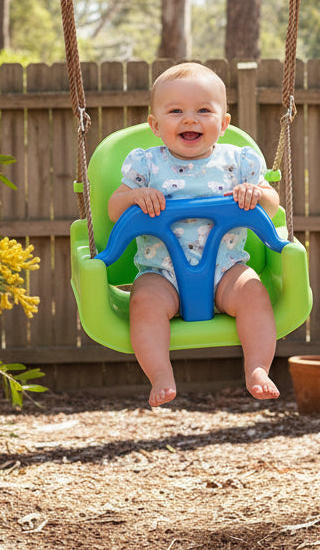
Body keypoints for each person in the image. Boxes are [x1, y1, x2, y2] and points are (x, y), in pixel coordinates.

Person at [107, 62, 281, 407]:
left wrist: (256, 193)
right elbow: (115, 209)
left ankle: (258, 368)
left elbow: (273, 207)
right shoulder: (146, 165)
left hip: (226, 269)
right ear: (155, 126)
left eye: (203, 110)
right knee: (144, 303)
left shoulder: (239, 163)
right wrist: (134, 197)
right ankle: (160, 374)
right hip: (162, 273)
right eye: (176, 112)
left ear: (224, 123)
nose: (190, 120)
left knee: (254, 295)